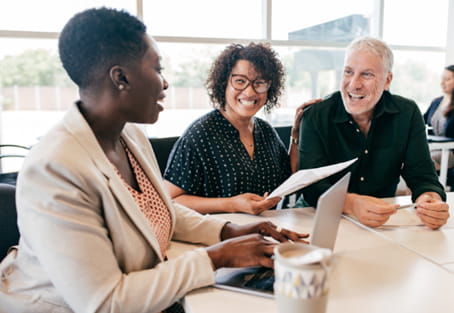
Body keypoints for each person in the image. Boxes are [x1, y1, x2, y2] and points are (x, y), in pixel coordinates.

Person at [0, 8, 309, 313]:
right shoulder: (54, 168)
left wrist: (229, 232)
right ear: (121, 77)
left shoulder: (130, 135)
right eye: (157, 69)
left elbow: (157, 208)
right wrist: (216, 258)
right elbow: (105, 302)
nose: (165, 83)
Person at [298, 36, 450, 229]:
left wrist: (430, 200)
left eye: (366, 74)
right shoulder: (315, 115)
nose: (354, 84)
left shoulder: (407, 113)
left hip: (381, 222)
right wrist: (352, 203)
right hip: (317, 217)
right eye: (348, 72)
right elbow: (312, 186)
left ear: (387, 80)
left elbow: (422, 175)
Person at [164, 43, 309, 215]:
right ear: (224, 83)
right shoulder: (200, 134)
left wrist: (296, 135)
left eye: (259, 83)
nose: (249, 92)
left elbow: (289, 177)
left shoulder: (265, 131)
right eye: (240, 81)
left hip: (266, 230)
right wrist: (231, 204)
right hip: (218, 234)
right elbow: (170, 200)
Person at [423, 65, 454, 170]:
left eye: (447, 79)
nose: (442, 83)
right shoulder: (436, 102)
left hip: (449, 151)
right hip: (433, 148)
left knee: (423, 160)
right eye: (442, 79)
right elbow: (420, 120)